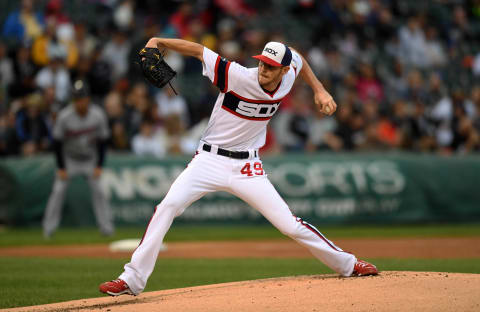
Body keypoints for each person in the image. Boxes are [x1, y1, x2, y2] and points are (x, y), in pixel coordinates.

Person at [99, 38, 378, 296]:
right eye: (261, 62)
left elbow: (299, 60)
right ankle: (132, 279)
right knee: (166, 207)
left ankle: (348, 264)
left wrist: (319, 89)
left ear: (283, 70)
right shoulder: (236, 75)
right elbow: (198, 50)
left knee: (289, 226)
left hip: (248, 165)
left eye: (271, 66)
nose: (263, 69)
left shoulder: (288, 77)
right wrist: (158, 41)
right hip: (209, 160)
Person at [42, 80, 114, 238]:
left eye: (82, 98)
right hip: (69, 159)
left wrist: (99, 165)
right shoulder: (64, 116)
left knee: (100, 191)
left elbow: (103, 142)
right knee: (58, 190)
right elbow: (57, 143)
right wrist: (61, 167)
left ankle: (107, 228)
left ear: (88, 98)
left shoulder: (98, 114)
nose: (80, 101)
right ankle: (48, 229)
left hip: (90, 159)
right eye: (76, 98)